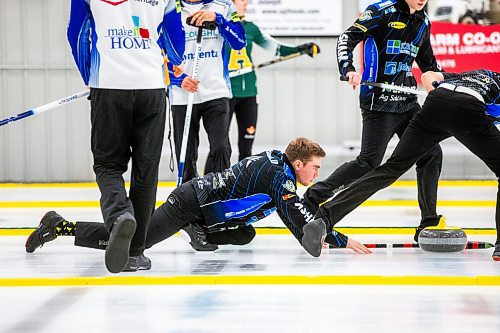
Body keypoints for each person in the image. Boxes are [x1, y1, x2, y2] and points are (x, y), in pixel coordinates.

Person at [25, 138, 371, 270]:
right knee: (130, 244)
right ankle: (59, 225)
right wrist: (339, 239)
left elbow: (294, 211)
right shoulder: (278, 177)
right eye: (315, 167)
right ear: (299, 163)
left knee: (245, 234)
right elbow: (298, 220)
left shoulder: (276, 163)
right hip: (188, 204)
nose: (316, 172)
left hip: (201, 204)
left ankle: (201, 229)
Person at [302, 70, 500, 261]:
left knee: (391, 168)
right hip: (467, 109)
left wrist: (442, 99)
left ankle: (324, 219)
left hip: (436, 102)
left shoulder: (475, 74)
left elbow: (427, 76)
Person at [59, 0, 185, 273]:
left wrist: (88, 74)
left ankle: (119, 216)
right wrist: (171, 59)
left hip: (109, 85)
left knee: (108, 164)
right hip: (151, 87)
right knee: (146, 170)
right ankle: (135, 252)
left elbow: (77, 33)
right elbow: (176, 45)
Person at [304, 0, 444, 242]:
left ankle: (428, 223)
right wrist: (348, 69)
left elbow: (428, 63)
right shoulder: (381, 11)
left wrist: (440, 86)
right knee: (368, 163)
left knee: (431, 153)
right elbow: (347, 37)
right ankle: (315, 196)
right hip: (379, 102)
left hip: (408, 102)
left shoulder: (423, 21)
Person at [227, 0, 320, 161]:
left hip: (249, 92)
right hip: (225, 92)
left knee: (246, 145)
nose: (246, 3)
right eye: (242, 0)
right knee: (221, 144)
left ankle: (242, 183)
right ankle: (213, 182)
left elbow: (275, 47)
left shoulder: (250, 28)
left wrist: (300, 49)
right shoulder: (219, 26)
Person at [169, 0, 246, 184]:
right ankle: (188, 199)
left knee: (220, 148)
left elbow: (239, 42)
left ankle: (219, 196)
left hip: (216, 91)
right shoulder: (170, 7)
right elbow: (157, 51)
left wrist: (218, 19)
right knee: (185, 155)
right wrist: (178, 79)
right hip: (182, 95)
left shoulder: (223, 5)